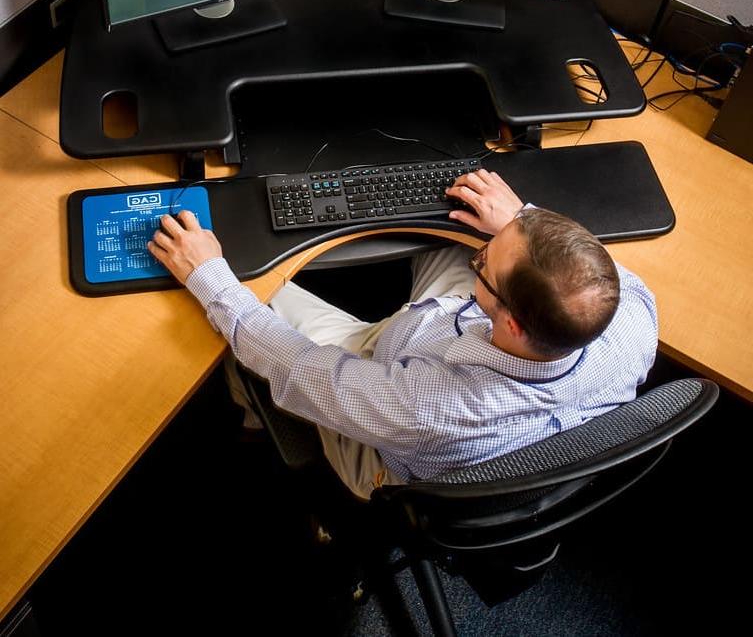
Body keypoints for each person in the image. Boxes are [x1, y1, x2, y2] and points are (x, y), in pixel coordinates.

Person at [148, 169, 657, 499]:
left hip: (388, 429)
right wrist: (519, 220)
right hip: (458, 349)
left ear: (512, 322)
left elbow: (296, 367)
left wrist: (209, 274)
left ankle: (248, 413)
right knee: (453, 233)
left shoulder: (423, 405)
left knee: (254, 298)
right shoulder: (631, 317)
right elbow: (586, 269)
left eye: (486, 266)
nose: (482, 254)